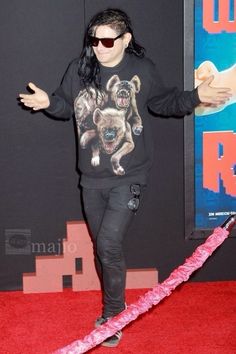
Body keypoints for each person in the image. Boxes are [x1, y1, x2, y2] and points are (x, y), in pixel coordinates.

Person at [19, 8, 232, 347]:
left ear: (125, 40)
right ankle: (113, 309)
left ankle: (113, 316)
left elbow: (164, 102)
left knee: (109, 244)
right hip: (90, 179)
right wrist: (48, 102)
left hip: (129, 174)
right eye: (94, 40)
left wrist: (195, 97)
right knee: (103, 250)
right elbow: (64, 108)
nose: (99, 47)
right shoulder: (79, 69)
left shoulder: (141, 70)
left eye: (107, 41)